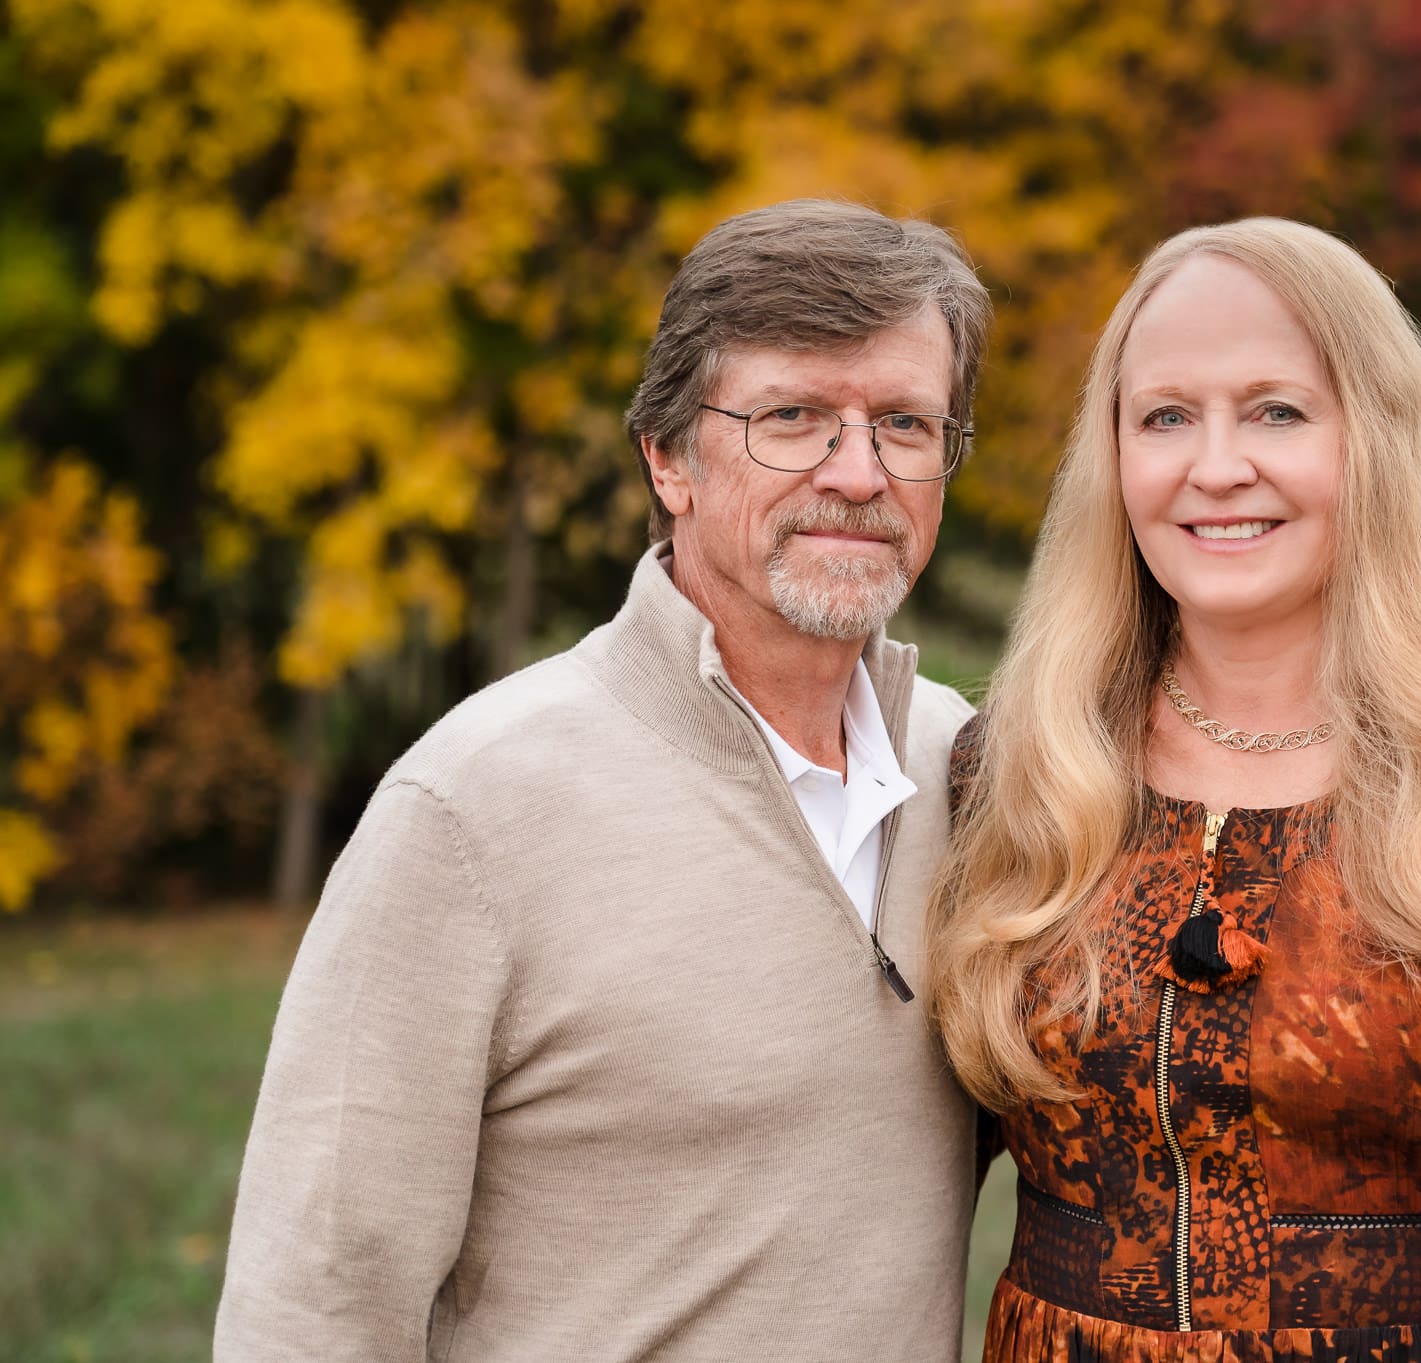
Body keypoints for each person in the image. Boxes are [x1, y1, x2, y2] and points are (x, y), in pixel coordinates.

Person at [930, 218, 1421, 1361]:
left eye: (1276, 409)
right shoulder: (1014, 771)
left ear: (1378, 439)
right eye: (1164, 416)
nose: (1216, 465)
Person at [216, 199, 990, 1361]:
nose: (857, 470)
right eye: (791, 417)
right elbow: (315, 1307)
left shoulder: (975, 777)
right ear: (669, 458)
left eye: (904, 423)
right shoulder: (472, 808)